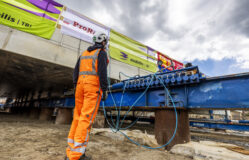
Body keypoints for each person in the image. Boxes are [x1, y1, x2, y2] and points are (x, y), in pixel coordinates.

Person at [66, 32, 109, 160]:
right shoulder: (101, 53)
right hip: (92, 88)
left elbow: (75, 71)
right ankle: (76, 155)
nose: (105, 45)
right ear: (103, 42)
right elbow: (102, 73)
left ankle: (71, 152)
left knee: (77, 118)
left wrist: (76, 85)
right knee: (86, 119)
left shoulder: (84, 53)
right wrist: (105, 89)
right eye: (105, 43)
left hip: (80, 86)